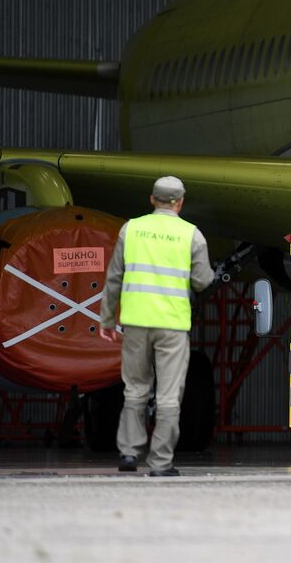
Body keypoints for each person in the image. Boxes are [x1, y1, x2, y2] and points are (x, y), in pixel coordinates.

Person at [99, 176, 213, 477]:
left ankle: (128, 452)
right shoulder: (192, 235)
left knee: (135, 388)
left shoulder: (131, 229)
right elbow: (202, 281)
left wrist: (106, 319)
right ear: (180, 202)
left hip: (136, 322)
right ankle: (160, 463)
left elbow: (114, 277)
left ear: (152, 199)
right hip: (172, 325)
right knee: (168, 395)